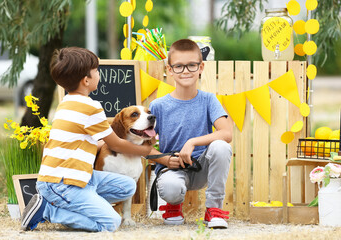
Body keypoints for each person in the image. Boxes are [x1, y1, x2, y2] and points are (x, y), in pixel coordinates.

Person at [20, 47, 152, 232]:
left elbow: (92, 142)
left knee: (129, 186)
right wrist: (146, 151)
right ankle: (48, 211)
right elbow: (115, 144)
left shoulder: (66, 103)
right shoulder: (91, 107)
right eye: (97, 70)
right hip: (62, 183)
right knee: (111, 223)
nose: (100, 74)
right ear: (86, 80)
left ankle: (79, 204)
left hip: (77, 178)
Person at [148, 39, 233, 228]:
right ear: (169, 70)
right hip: (173, 169)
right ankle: (173, 207)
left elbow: (226, 133)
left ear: (201, 67)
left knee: (221, 147)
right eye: (178, 66)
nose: (185, 71)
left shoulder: (209, 100)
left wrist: (193, 142)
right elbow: (144, 146)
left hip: (201, 167)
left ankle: (213, 210)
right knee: (171, 188)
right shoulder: (158, 106)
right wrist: (164, 160)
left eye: (191, 65)